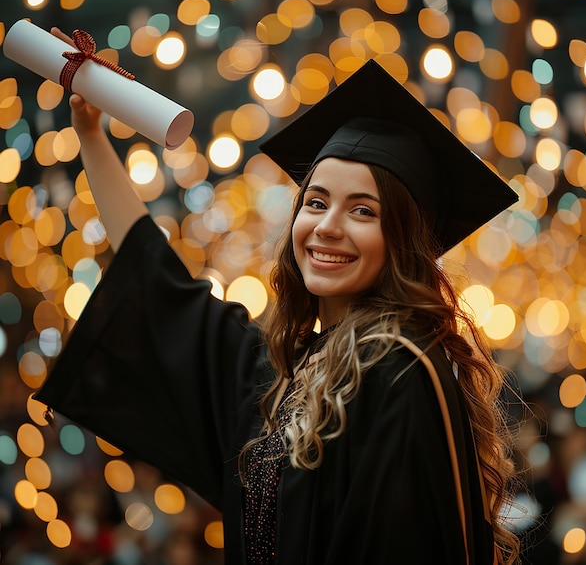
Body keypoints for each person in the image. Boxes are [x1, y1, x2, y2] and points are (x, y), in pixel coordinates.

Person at [35, 45, 521, 564]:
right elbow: (156, 279)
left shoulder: (398, 370)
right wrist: (91, 133)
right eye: (316, 201)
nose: (327, 226)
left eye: (363, 210)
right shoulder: (287, 370)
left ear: (401, 241)